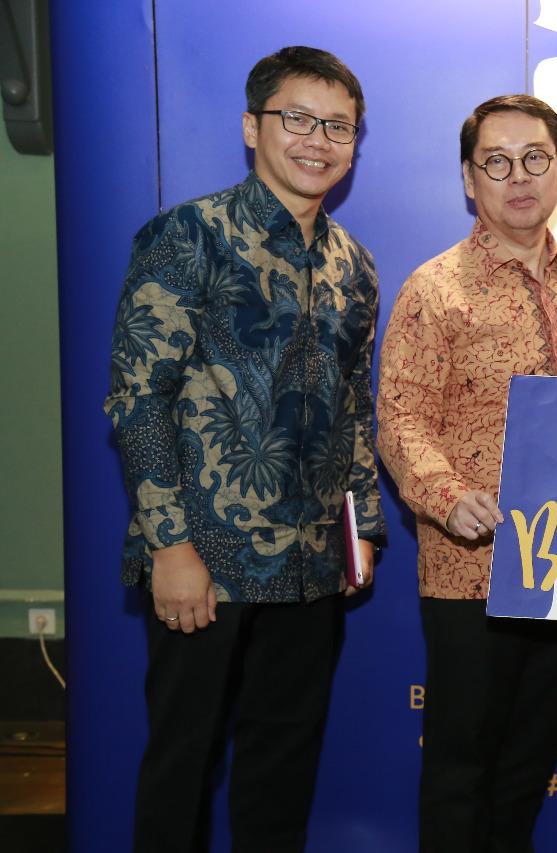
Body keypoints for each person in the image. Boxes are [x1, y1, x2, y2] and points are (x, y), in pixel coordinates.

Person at [104, 46, 384, 852]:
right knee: (182, 768)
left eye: (338, 127)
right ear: (252, 127)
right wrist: (170, 546)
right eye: (298, 119)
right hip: (205, 560)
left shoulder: (354, 265)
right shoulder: (188, 235)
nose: (318, 140)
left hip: (312, 568)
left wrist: (362, 527)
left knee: (281, 776)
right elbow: (138, 396)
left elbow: (353, 408)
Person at [376, 94, 557, 852]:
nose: (519, 176)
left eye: (535, 158)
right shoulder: (435, 288)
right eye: (497, 161)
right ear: (469, 178)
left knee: (528, 767)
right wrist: (448, 497)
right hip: (472, 570)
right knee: (462, 769)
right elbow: (400, 418)